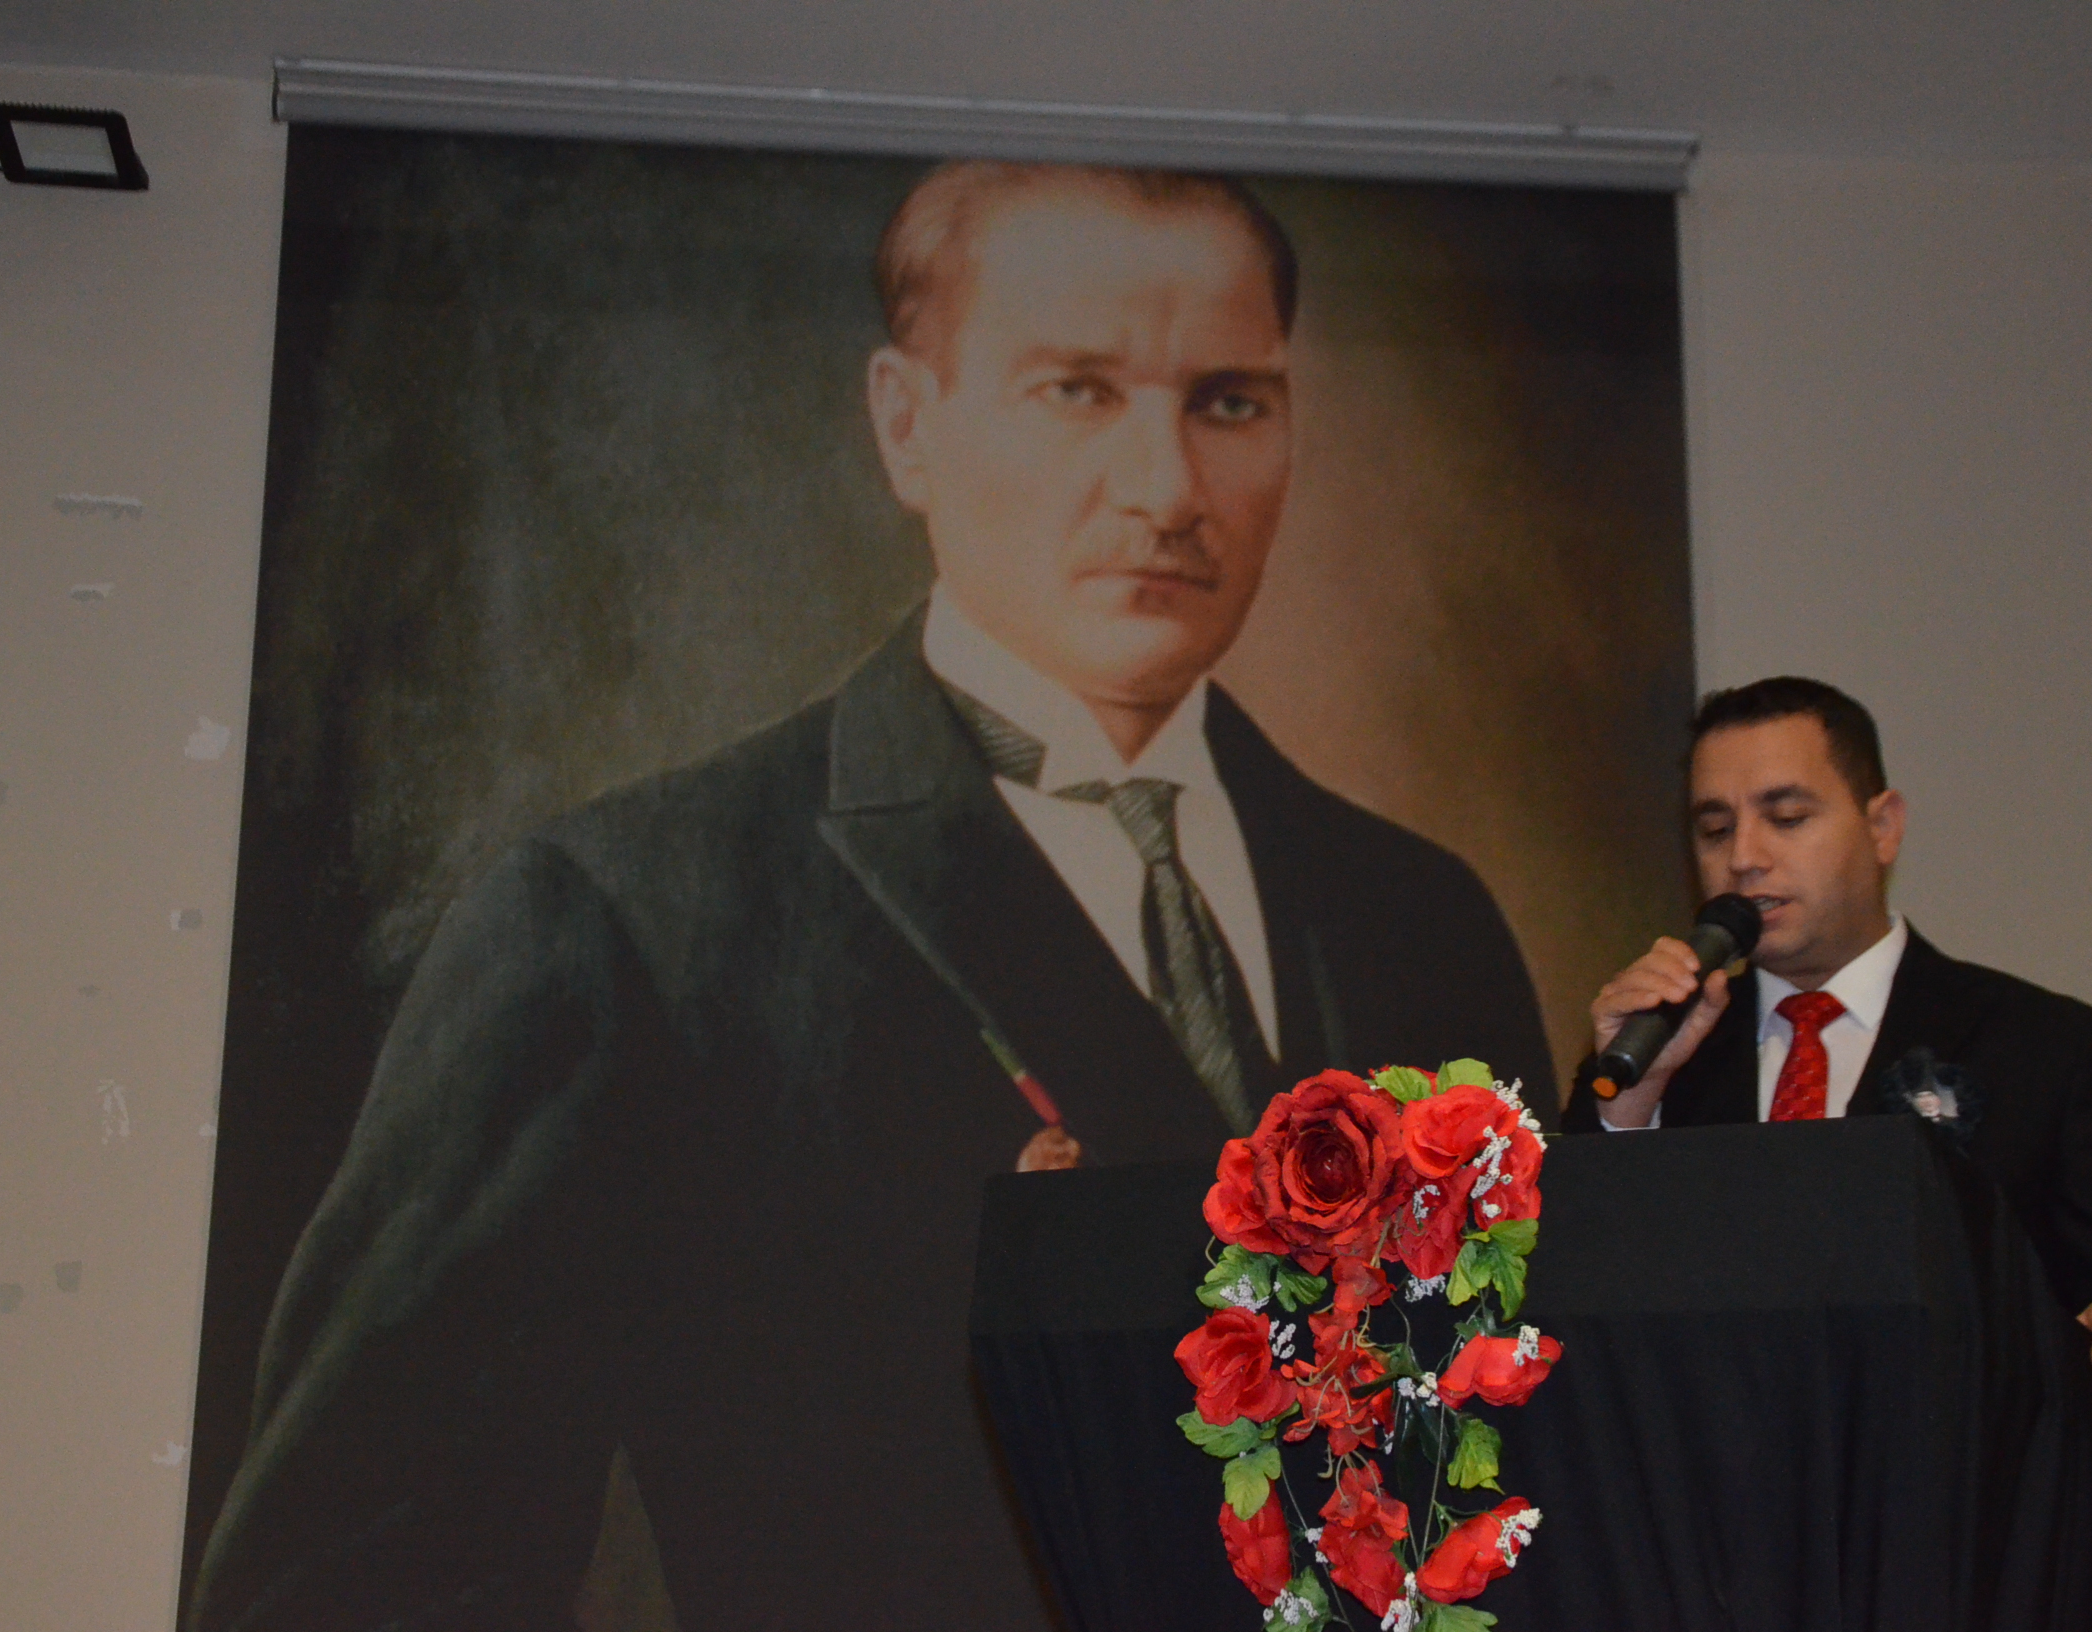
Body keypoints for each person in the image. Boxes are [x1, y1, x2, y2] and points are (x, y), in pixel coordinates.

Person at [189, 161, 1553, 1632]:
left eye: (1229, 402)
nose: (1166, 491)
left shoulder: (1422, 919)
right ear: (908, 425)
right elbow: (349, 1587)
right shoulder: (624, 923)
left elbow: (1537, 1480)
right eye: (1077, 391)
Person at [1567, 675, 2092, 1627]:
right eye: (1714, 829)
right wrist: (1627, 1112)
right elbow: (1564, 1329)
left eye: (1787, 817)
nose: (1744, 858)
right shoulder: (1659, 1059)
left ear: (1883, 826)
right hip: (1704, 1582)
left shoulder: (2044, 1049)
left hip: (1956, 1577)